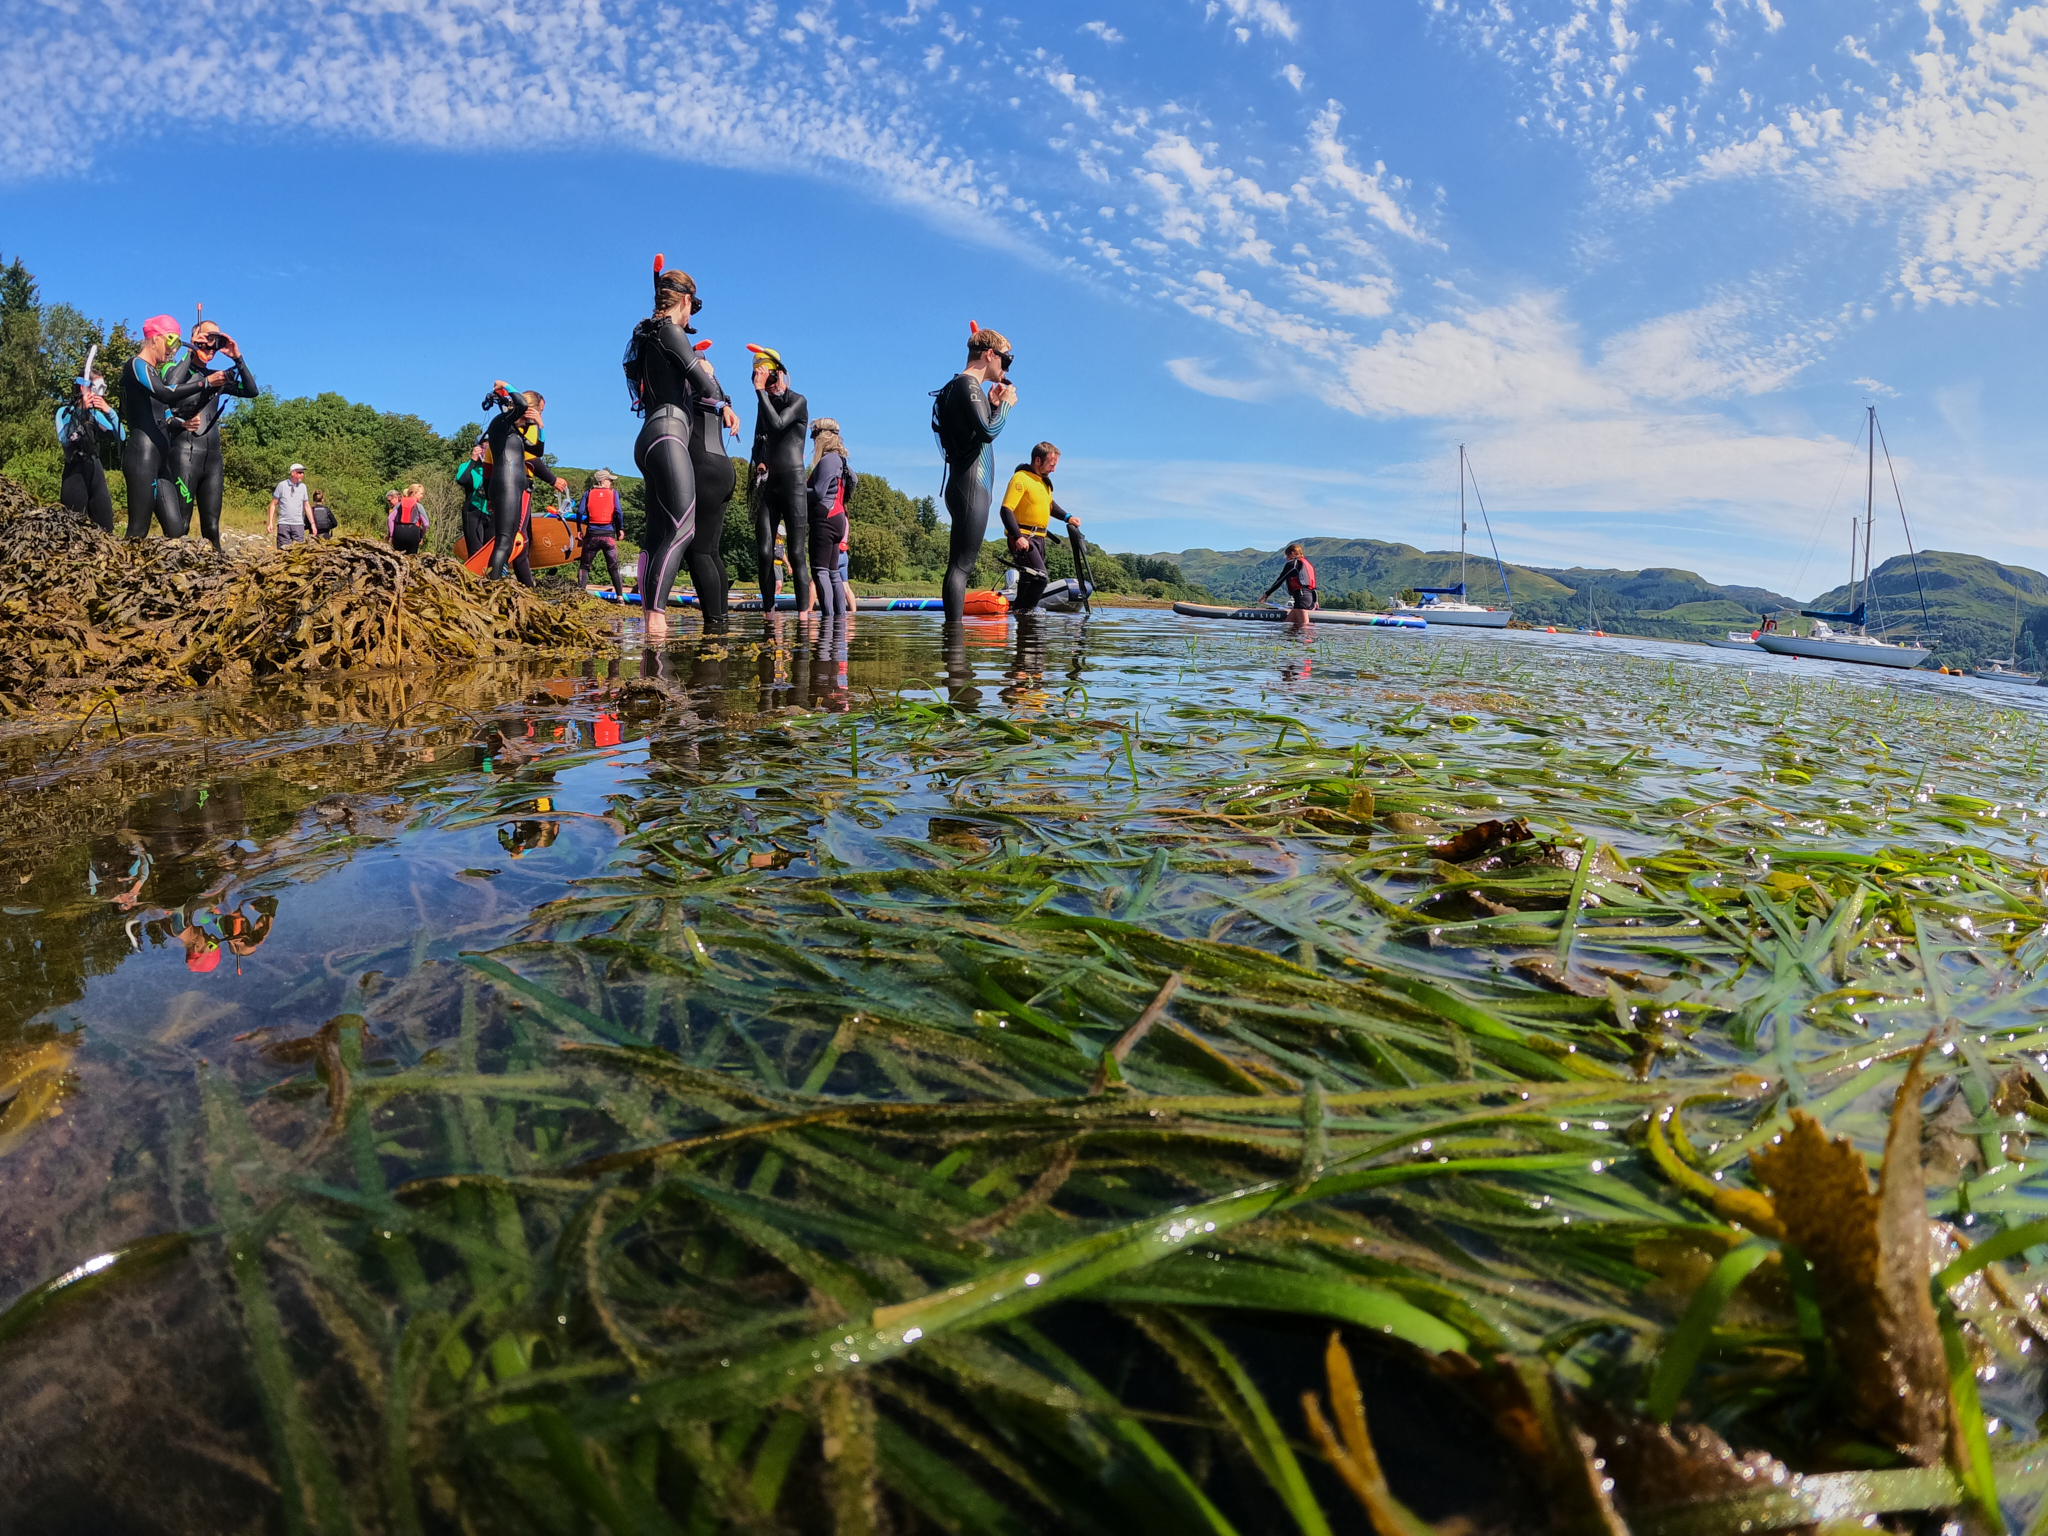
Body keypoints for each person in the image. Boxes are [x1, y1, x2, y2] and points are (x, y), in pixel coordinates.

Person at [622, 261, 714, 640]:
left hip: (648, 437)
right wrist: (705, 368)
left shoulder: (645, 335)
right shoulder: (671, 332)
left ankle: (649, 622)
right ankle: (656, 619)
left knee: (657, 534)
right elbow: (707, 391)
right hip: (670, 434)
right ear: (687, 300)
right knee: (682, 530)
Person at [931, 324, 1017, 619]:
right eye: (1005, 361)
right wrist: (1005, 406)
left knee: (958, 566)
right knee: (961, 567)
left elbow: (975, 432)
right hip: (971, 487)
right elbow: (989, 431)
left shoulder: (959, 387)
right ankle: (954, 649)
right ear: (990, 354)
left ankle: (952, 643)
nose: (1005, 369)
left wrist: (991, 405)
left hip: (962, 483)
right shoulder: (968, 386)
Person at [160, 320, 257, 550]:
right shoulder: (173, 369)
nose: (210, 349)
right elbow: (170, 386)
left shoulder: (217, 377)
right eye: (206, 341)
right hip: (184, 453)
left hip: (213, 459)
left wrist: (238, 358)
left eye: (215, 344)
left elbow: (252, 391)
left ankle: (218, 579)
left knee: (212, 528)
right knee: (180, 525)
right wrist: (191, 348)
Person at [121, 315, 218, 540]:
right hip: (141, 455)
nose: (173, 350)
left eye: (178, 344)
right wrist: (206, 382)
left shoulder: (155, 373)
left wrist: (182, 423)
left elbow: (165, 414)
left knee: (176, 531)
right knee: (138, 530)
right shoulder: (136, 365)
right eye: (171, 342)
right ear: (154, 339)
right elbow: (165, 393)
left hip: (161, 460)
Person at [479, 380, 567, 585]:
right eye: (538, 411)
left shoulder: (517, 431)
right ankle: (496, 584)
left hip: (506, 484)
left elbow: (537, 451)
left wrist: (541, 426)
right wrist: (505, 386)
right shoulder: (505, 423)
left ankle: (520, 585)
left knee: (512, 539)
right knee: (510, 540)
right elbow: (530, 458)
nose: (538, 416)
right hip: (512, 485)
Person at [746, 343, 810, 613]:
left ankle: (804, 615)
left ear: (781, 374)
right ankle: (768, 611)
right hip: (769, 486)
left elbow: (779, 424)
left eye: (771, 378)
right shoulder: (764, 405)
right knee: (764, 552)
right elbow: (758, 441)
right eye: (761, 379)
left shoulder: (798, 400)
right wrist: (758, 462)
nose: (768, 384)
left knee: (795, 553)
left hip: (793, 483)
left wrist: (761, 391)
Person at [998, 440, 1082, 615]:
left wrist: (1068, 517)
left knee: (1028, 580)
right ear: (1038, 461)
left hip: (1040, 539)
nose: (1053, 469)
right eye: (1051, 464)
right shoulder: (1021, 478)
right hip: (1024, 538)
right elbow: (1006, 510)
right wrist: (1017, 536)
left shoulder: (1043, 482)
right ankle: (1029, 613)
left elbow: (1050, 505)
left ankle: (1020, 617)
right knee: (1040, 577)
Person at [686, 342, 737, 623]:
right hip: (723, 468)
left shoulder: (694, 383)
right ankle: (721, 620)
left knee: (698, 550)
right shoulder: (717, 386)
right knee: (711, 550)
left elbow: (699, 401)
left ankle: (714, 624)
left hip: (704, 467)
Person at [56, 370, 119, 532]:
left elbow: (121, 436)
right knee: (75, 532)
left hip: (96, 477)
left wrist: (109, 412)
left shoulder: (96, 415)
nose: (100, 394)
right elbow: (65, 439)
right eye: (97, 388)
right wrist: (79, 410)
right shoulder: (64, 412)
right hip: (74, 477)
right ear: (84, 389)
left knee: (106, 530)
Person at [805, 418, 855, 618]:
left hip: (825, 519)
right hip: (838, 518)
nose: (814, 441)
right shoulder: (842, 461)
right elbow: (854, 480)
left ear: (822, 436)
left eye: (815, 436)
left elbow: (818, 493)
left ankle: (828, 618)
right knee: (833, 572)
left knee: (820, 571)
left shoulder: (829, 460)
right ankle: (839, 620)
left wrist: (795, 489)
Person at [576, 468, 624, 592]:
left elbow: (580, 511)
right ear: (602, 482)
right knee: (613, 567)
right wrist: (620, 529)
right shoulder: (613, 493)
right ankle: (620, 597)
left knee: (585, 566)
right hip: (608, 535)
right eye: (609, 480)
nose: (611, 483)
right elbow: (618, 512)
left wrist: (579, 529)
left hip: (592, 535)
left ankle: (580, 594)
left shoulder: (588, 493)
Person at [1261, 541, 1318, 631]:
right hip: (1307, 596)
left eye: (1287, 555)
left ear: (1291, 553)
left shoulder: (1293, 564)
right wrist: (1315, 600)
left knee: (1304, 626)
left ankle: (1306, 642)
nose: (1287, 558)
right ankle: (1288, 642)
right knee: (1288, 624)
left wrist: (1267, 593)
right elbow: (1312, 586)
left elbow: (1280, 579)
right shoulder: (1305, 564)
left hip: (1302, 595)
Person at [455, 441, 491, 557]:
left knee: (491, 550)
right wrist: (473, 459)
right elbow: (461, 479)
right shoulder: (468, 466)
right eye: (485, 448)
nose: (487, 451)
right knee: (476, 551)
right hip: (473, 511)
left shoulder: (496, 469)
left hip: (492, 513)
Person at [268, 463, 313, 546]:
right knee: (283, 551)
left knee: (298, 552)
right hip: (284, 524)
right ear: (292, 473)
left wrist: (312, 524)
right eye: (299, 472)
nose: (302, 475)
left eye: (302, 473)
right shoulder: (281, 485)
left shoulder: (303, 487)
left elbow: (307, 506)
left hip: (298, 524)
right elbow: (273, 504)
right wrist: (270, 522)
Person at [389, 482, 428, 553]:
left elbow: (390, 519)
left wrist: (391, 535)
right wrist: (421, 535)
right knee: (412, 558)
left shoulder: (398, 505)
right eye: (421, 493)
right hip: (414, 532)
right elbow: (426, 524)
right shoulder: (419, 506)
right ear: (414, 493)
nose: (422, 496)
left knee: (398, 557)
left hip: (399, 532)